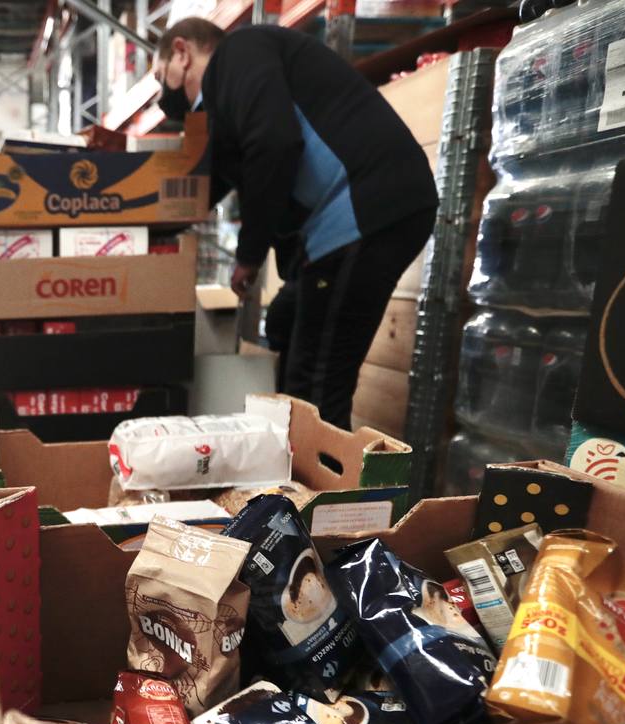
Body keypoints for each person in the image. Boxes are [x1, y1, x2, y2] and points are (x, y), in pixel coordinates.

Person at [155, 18, 437, 429]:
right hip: (352, 219)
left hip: (363, 209)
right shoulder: (227, 102)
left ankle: (319, 489)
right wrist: (150, 228)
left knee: (316, 387)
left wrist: (249, 256)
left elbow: (274, 143)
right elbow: (206, 189)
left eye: (162, 76)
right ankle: (290, 465)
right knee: (286, 321)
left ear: (182, 52)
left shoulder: (237, 55)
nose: (166, 93)